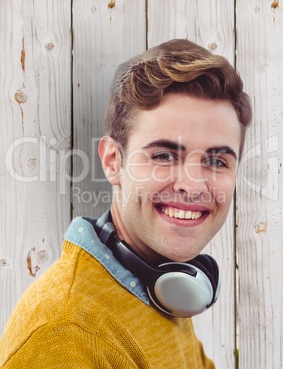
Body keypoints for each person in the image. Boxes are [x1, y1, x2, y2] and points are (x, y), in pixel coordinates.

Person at [0, 39, 252, 368]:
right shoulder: (66, 333)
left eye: (217, 161)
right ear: (112, 161)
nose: (192, 185)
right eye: (164, 156)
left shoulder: (157, 283)